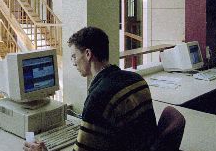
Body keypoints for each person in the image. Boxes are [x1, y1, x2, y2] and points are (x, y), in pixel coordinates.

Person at [24, 27, 157, 151]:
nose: (74, 62)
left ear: (88, 54)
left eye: (74, 56)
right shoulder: (136, 78)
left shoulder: (99, 97)